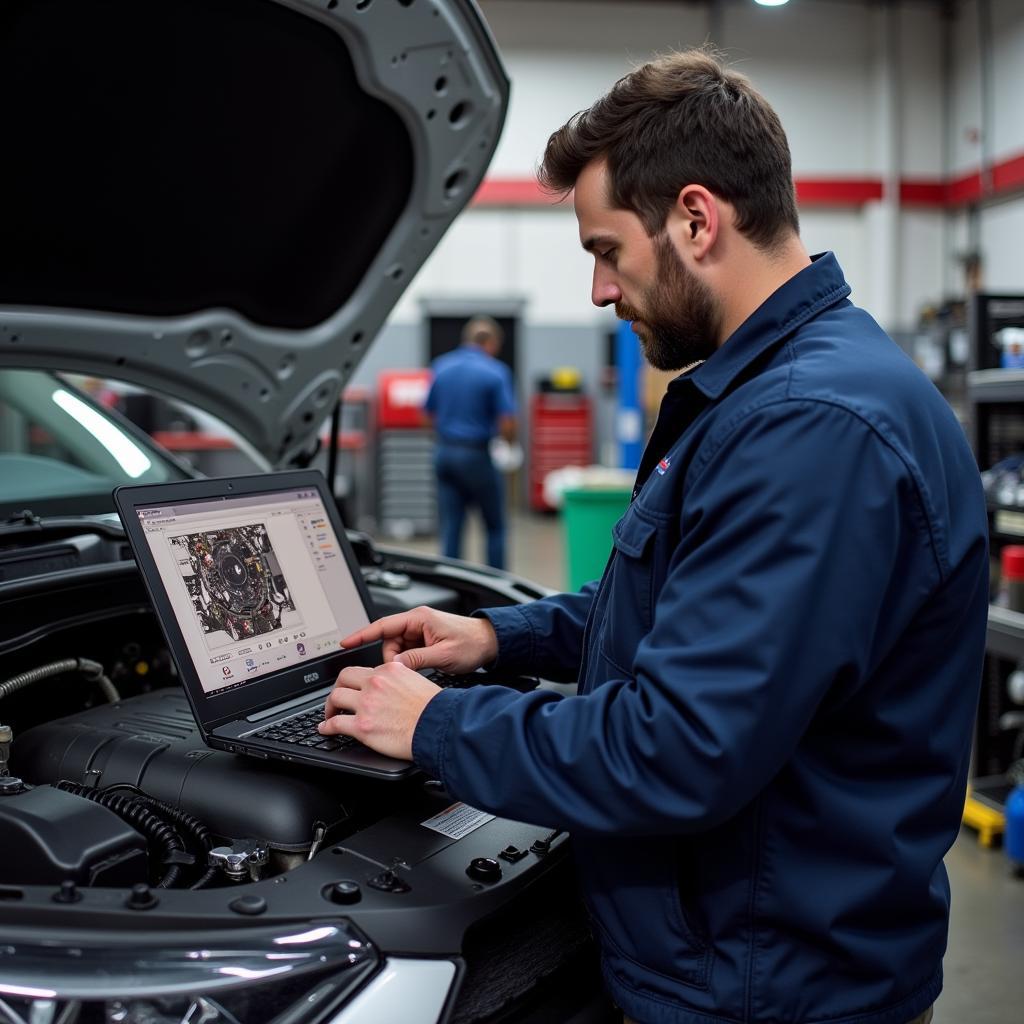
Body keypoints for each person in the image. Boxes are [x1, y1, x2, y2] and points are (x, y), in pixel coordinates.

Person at [320, 49, 988, 1024]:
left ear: (694, 218)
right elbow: (693, 599)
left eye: (606, 250)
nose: (598, 290)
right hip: (755, 955)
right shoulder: (791, 388)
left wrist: (433, 723)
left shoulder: (808, 427)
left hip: (764, 987)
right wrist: (504, 636)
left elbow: (675, 748)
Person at [423, 317, 517, 569]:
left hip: (444, 453)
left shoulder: (440, 367)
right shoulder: (495, 371)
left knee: (451, 526)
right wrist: (507, 446)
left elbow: (427, 413)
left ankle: (452, 583)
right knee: (495, 526)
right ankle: (497, 585)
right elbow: (507, 419)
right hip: (476, 456)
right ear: (490, 342)